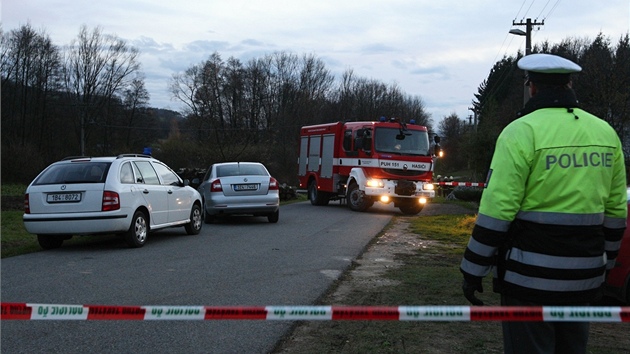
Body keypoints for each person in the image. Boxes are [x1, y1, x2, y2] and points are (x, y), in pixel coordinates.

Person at [459, 53, 627, 354]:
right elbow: (616, 214)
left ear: (532, 87)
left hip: (529, 280)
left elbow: (497, 212)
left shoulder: (520, 132)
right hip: (584, 279)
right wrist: (605, 267)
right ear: (570, 84)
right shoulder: (606, 134)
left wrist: (473, 270)